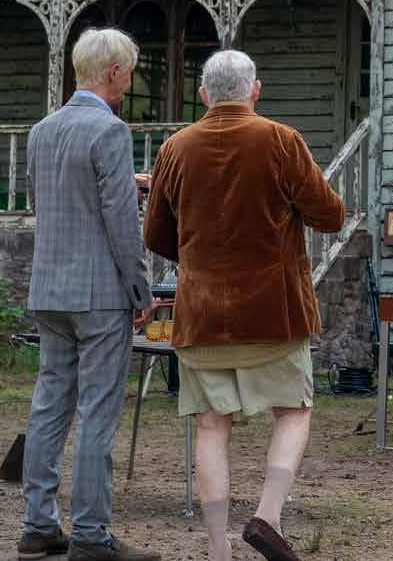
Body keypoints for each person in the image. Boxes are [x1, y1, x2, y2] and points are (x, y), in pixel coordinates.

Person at [143, 50, 346, 561]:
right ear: (255, 90)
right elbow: (330, 216)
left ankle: (218, 547)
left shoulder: (174, 149)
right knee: (294, 411)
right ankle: (268, 516)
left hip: (202, 314)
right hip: (274, 312)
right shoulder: (281, 140)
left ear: (204, 95)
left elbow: (156, 235)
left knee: (212, 426)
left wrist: (202, 258)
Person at [19, 28, 158, 561]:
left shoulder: (42, 130)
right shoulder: (111, 131)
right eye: (130, 70)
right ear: (115, 72)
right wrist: (141, 289)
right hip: (99, 293)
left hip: (49, 286)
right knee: (98, 412)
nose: (131, 79)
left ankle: (38, 525)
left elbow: (41, 201)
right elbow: (122, 223)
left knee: (49, 406)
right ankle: (91, 534)